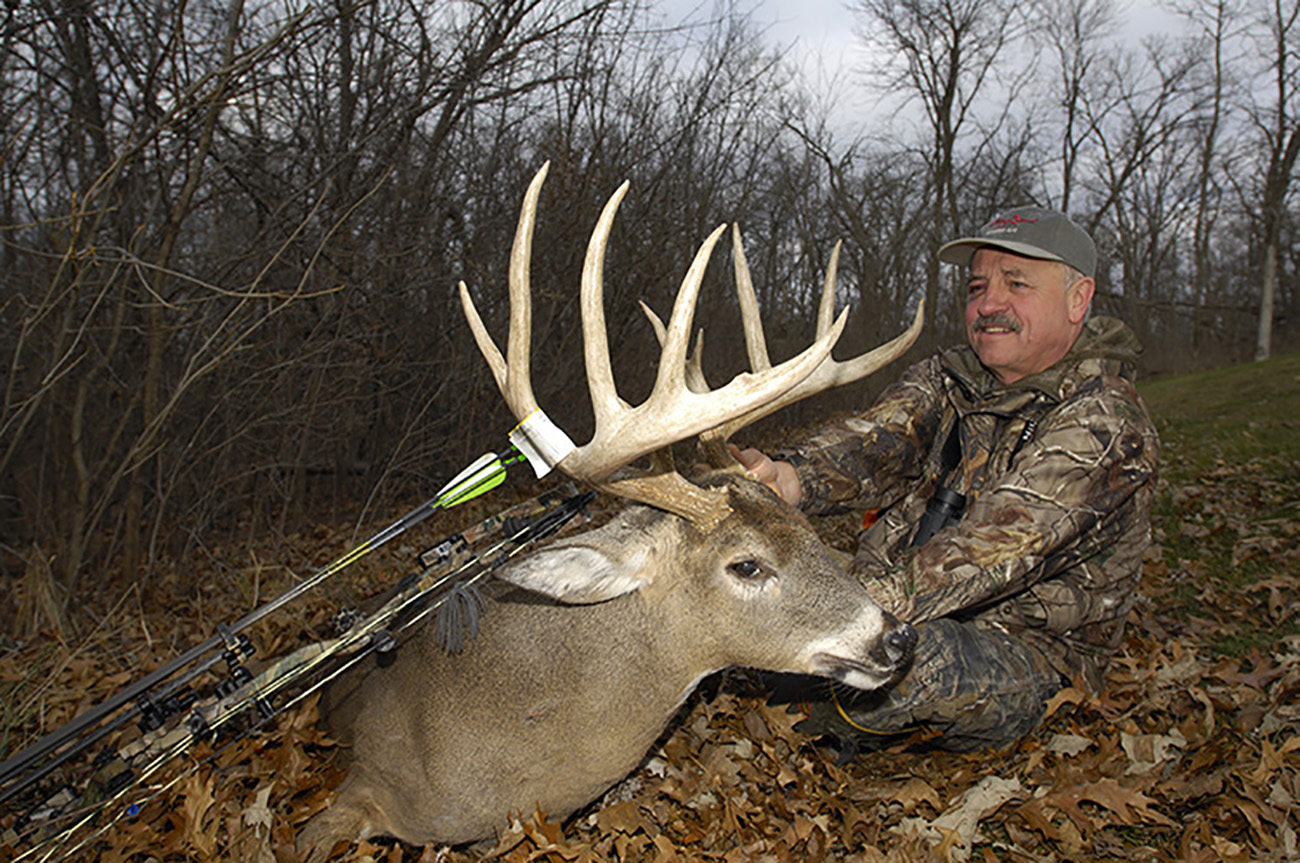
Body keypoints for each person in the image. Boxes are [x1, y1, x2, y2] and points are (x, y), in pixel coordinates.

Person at [736, 206, 1160, 756]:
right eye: (978, 286)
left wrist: (813, 612)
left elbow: (991, 550)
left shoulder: (1107, 426)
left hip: (1028, 658)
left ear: (1079, 300)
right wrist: (787, 479)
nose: (989, 304)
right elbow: (878, 444)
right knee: (747, 576)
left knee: (912, 666)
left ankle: (799, 718)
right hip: (890, 598)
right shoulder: (950, 378)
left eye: (1017, 284)